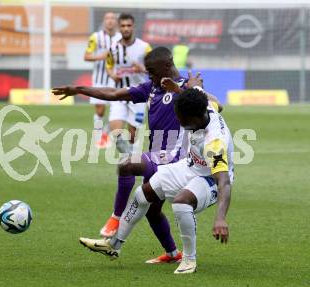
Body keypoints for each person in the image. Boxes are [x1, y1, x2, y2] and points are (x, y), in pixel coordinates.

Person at [53, 47, 220, 264]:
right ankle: (172, 254)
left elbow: (216, 104)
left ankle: (115, 220)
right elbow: (113, 94)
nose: (148, 74)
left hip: (175, 155)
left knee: (126, 164)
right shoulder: (151, 86)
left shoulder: (186, 87)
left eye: (152, 70)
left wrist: (186, 91)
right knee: (152, 211)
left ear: (167, 66)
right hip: (157, 153)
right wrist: (79, 89)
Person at [78, 87, 233, 275]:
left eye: (181, 118)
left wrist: (220, 218)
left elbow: (223, 181)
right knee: (143, 193)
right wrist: (179, 90)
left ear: (194, 118)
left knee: (181, 202)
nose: (178, 120)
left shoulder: (214, 142)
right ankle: (114, 244)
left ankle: (189, 260)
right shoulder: (205, 108)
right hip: (190, 166)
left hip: (210, 179)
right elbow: (218, 103)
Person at [106, 13, 151, 153]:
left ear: (133, 27)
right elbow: (108, 65)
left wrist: (142, 69)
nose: (126, 28)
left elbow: (155, 68)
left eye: (128, 26)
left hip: (138, 95)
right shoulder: (113, 47)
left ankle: (132, 157)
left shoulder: (144, 47)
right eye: (123, 26)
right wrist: (112, 75)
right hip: (119, 93)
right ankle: (127, 154)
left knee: (132, 135)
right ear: (119, 28)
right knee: (117, 133)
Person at [84, 12, 121, 149]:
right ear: (104, 21)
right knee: (100, 111)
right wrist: (102, 56)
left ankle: (105, 133)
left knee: (116, 110)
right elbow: (86, 56)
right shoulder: (95, 37)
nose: (110, 21)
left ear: (116, 22)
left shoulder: (121, 37)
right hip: (99, 79)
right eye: (107, 18)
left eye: (113, 18)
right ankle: (99, 138)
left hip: (115, 79)